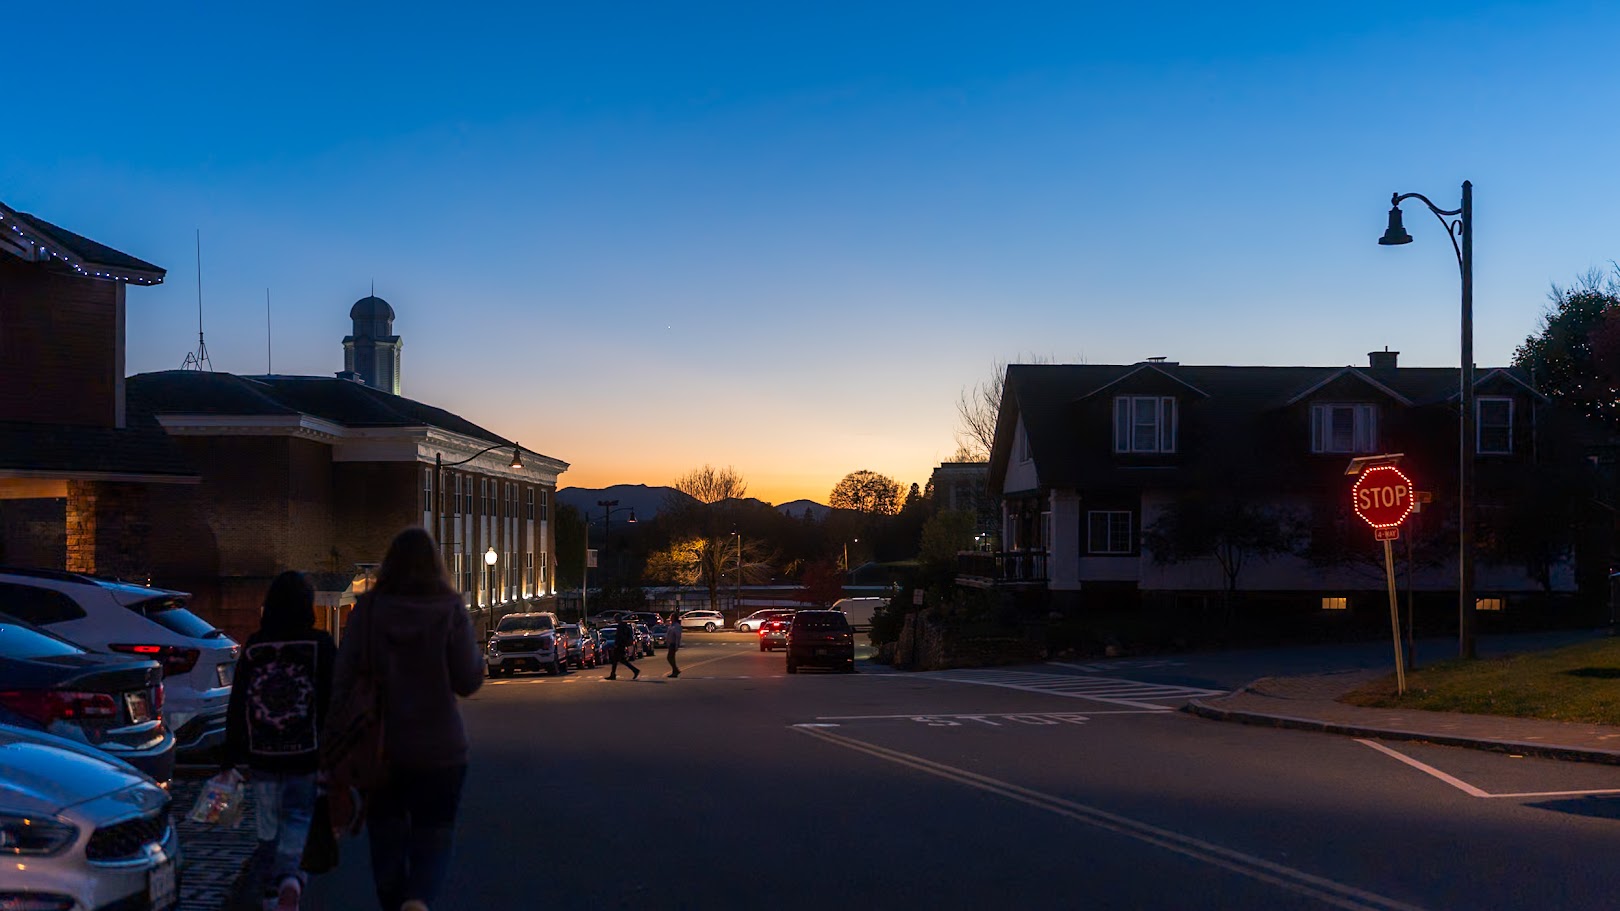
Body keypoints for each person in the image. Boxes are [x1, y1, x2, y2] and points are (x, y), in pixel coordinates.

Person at [333, 527, 483, 911]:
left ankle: (396, 900)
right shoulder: (449, 608)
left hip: (381, 749)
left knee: (385, 837)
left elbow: (343, 682)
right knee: (435, 835)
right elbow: (468, 680)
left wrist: (331, 746)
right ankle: (418, 900)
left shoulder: (367, 610)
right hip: (441, 747)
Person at [223, 570, 336, 911]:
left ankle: (274, 890)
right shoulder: (321, 645)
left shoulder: (255, 647)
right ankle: (291, 881)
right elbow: (334, 699)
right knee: (300, 821)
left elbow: (239, 701)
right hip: (307, 755)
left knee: (269, 829)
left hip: (263, 756)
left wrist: (231, 755)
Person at [605, 616, 639, 680]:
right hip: (622, 645)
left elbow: (619, 637)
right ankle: (613, 674)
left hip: (620, 646)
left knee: (617, 660)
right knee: (618, 660)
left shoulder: (620, 627)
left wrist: (617, 644)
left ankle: (635, 670)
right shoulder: (624, 626)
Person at [663, 613, 682, 678]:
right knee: (671, 658)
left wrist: (677, 645)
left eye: (671, 617)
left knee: (670, 658)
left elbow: (677, 636)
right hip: (670, 644)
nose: (670, 618)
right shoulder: (671, 625)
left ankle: (675, 670)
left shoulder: (677, 626)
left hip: (673, 644)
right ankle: (675, 671)